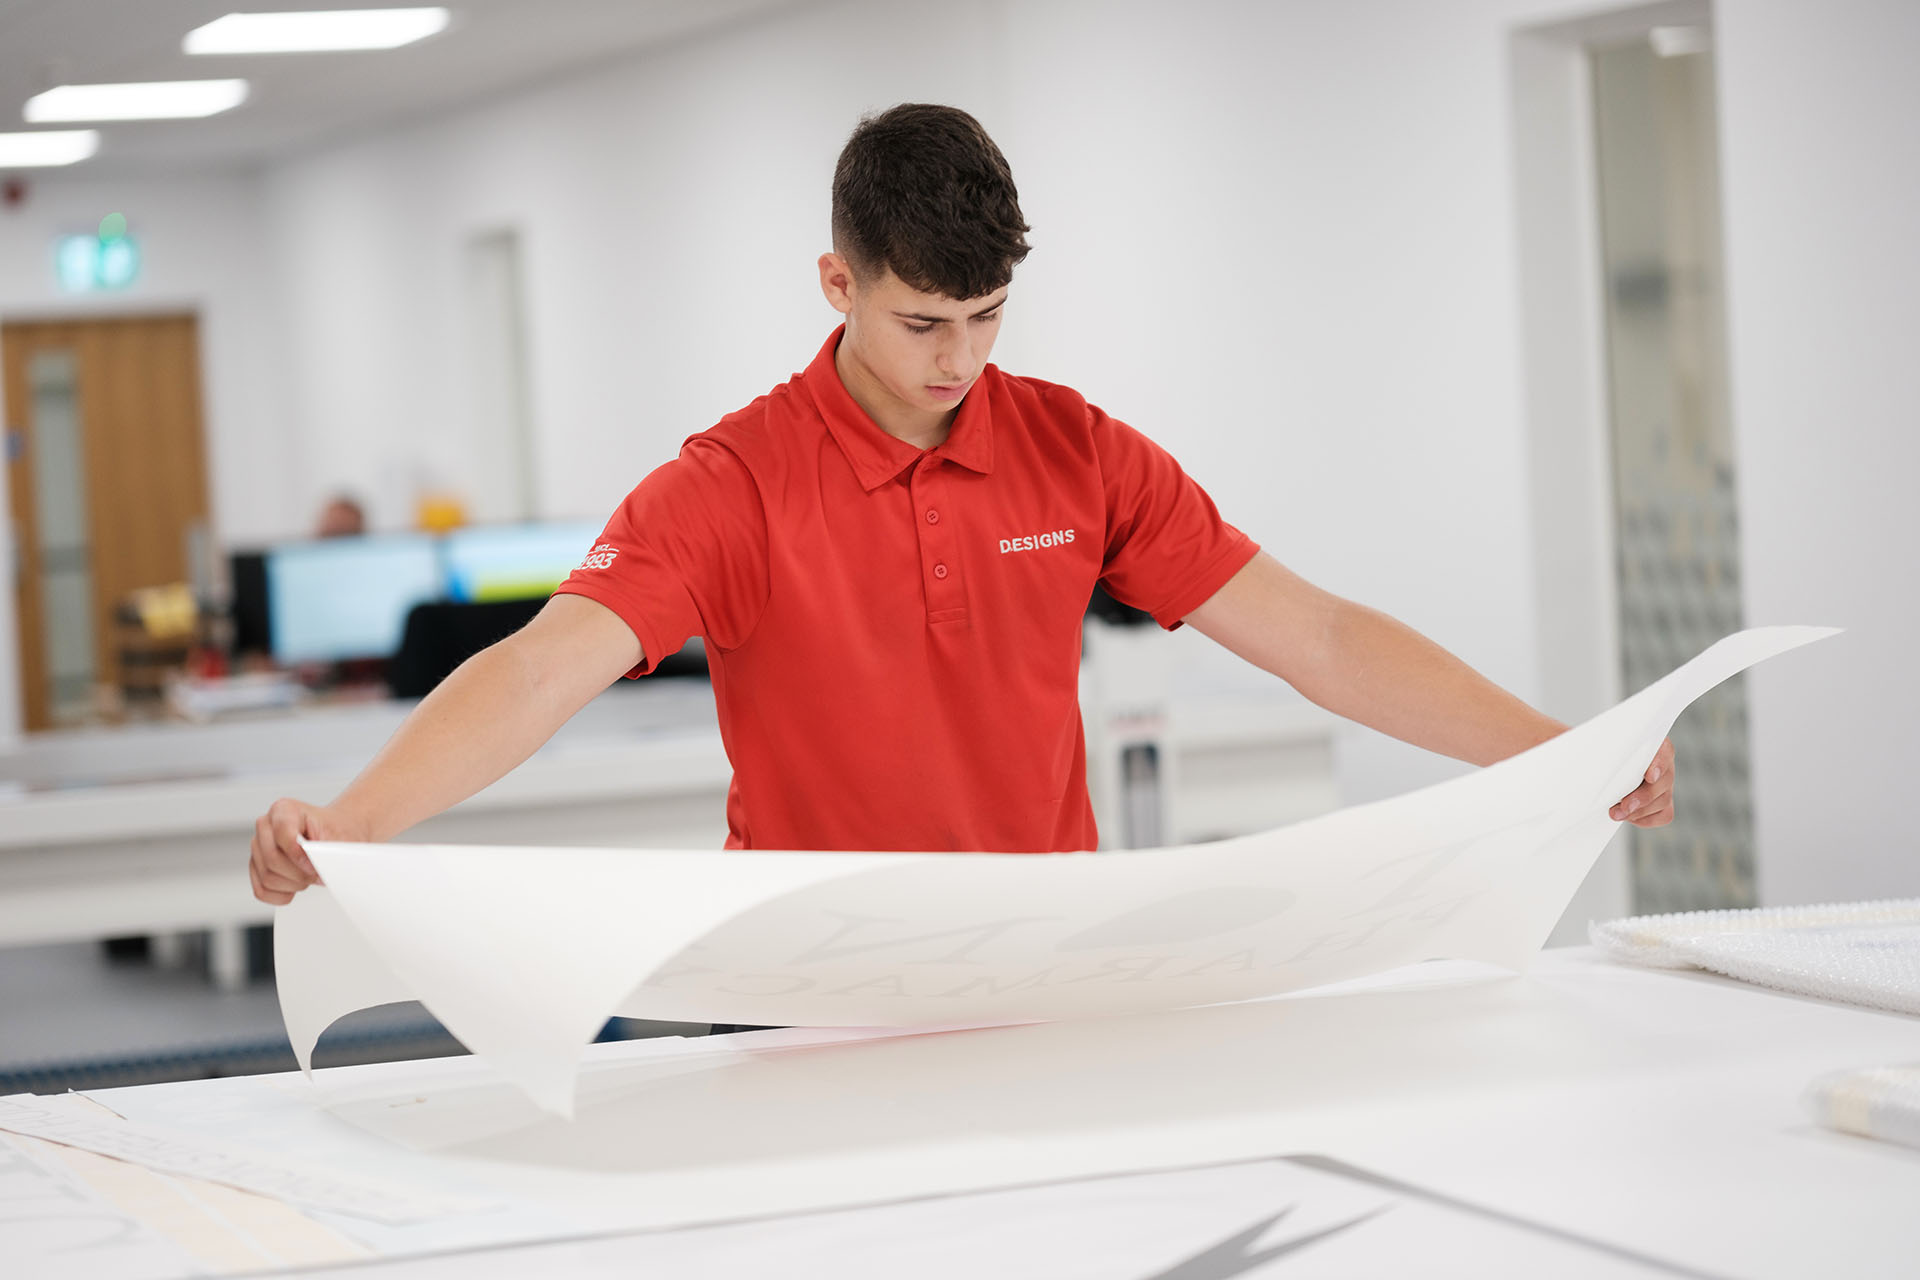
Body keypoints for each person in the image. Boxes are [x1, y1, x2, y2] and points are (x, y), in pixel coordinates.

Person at [250, 104, 1674, 912]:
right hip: (805, 966)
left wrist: (1561, 752)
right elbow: (540, 669)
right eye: (925, 320)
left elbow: (1318, 636)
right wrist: (356, 823)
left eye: (988, 316)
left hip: (1048, 948)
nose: (961, 361)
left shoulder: (1078, 451)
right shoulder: (733, 484)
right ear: (837, 284)